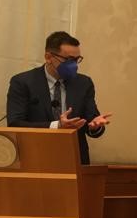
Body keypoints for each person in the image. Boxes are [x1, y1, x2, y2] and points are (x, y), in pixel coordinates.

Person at [6, 31, 112, 165]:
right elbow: (15, 124)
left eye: (77, 60)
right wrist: (57, 126)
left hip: (73, 160)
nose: (74, 65)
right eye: (68, 60)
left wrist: (95, 127)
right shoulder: (23, 82)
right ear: (48, 57)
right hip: (35, 158)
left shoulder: (83, 83)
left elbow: (91, 122)